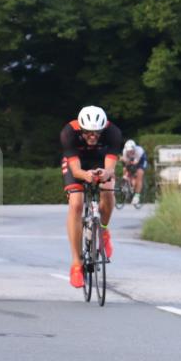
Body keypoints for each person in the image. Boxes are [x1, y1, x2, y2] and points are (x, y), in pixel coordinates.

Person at [61, 105, 123, 288]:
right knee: (76, 204)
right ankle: (76, 264)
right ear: (81, 129)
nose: (93, 137)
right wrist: (86, 176)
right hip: (78, 163)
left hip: (100, 160)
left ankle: (103, 230)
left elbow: (110, 168)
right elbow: (76, 170)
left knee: (109, 188)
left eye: (97, 133)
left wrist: (105, 174)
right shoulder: (68, 132)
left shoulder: (113, 133)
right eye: (88, 133)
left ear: (103, 128)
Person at [120, 139, 148, 207]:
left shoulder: (139, 151)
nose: (130, 152)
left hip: (141, 160)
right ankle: (127, 183)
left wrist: (129, 162)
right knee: (125, 168)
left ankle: (137, 196)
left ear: (134, 149)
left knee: (139, 173)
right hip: (131, 160)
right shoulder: (124, 151)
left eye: (131, 151)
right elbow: (126, 162)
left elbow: (136, 163)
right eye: (128, 151)